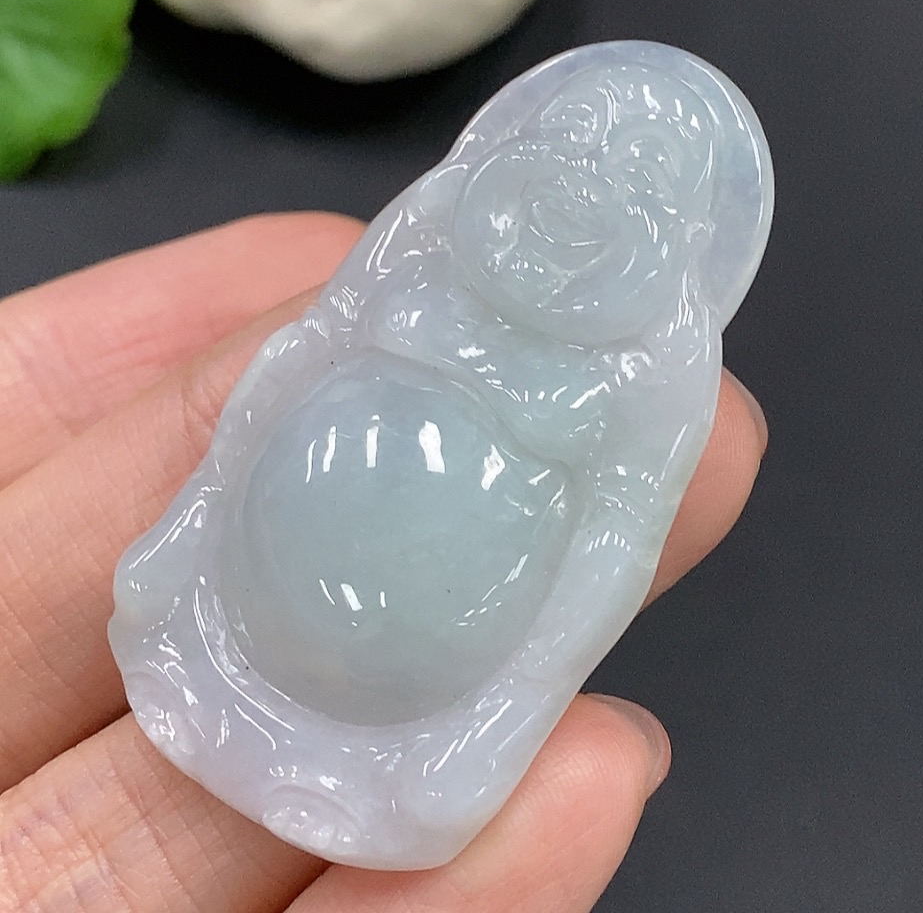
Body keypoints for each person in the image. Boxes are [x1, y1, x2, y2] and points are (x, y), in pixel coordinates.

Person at [0, 213, 767, 912]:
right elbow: (295, 359)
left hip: (427, 678)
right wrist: (185, 533)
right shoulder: (430, 253)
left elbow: (614, 549)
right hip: (250, 592)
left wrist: (506, 712)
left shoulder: (648, 371)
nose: (579, 193)